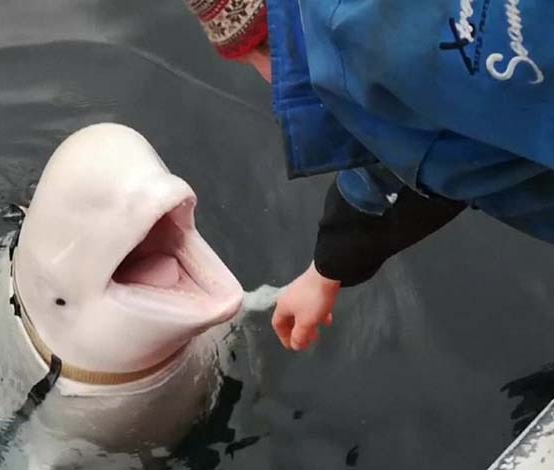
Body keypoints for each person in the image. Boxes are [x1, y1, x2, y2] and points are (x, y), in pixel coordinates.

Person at [182, 0, 554, 351]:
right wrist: (328, 267)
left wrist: (331, 262)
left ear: (265, 43)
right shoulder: (371, 37)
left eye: (252, 64)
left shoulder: (358, 53)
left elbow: (432, 157)